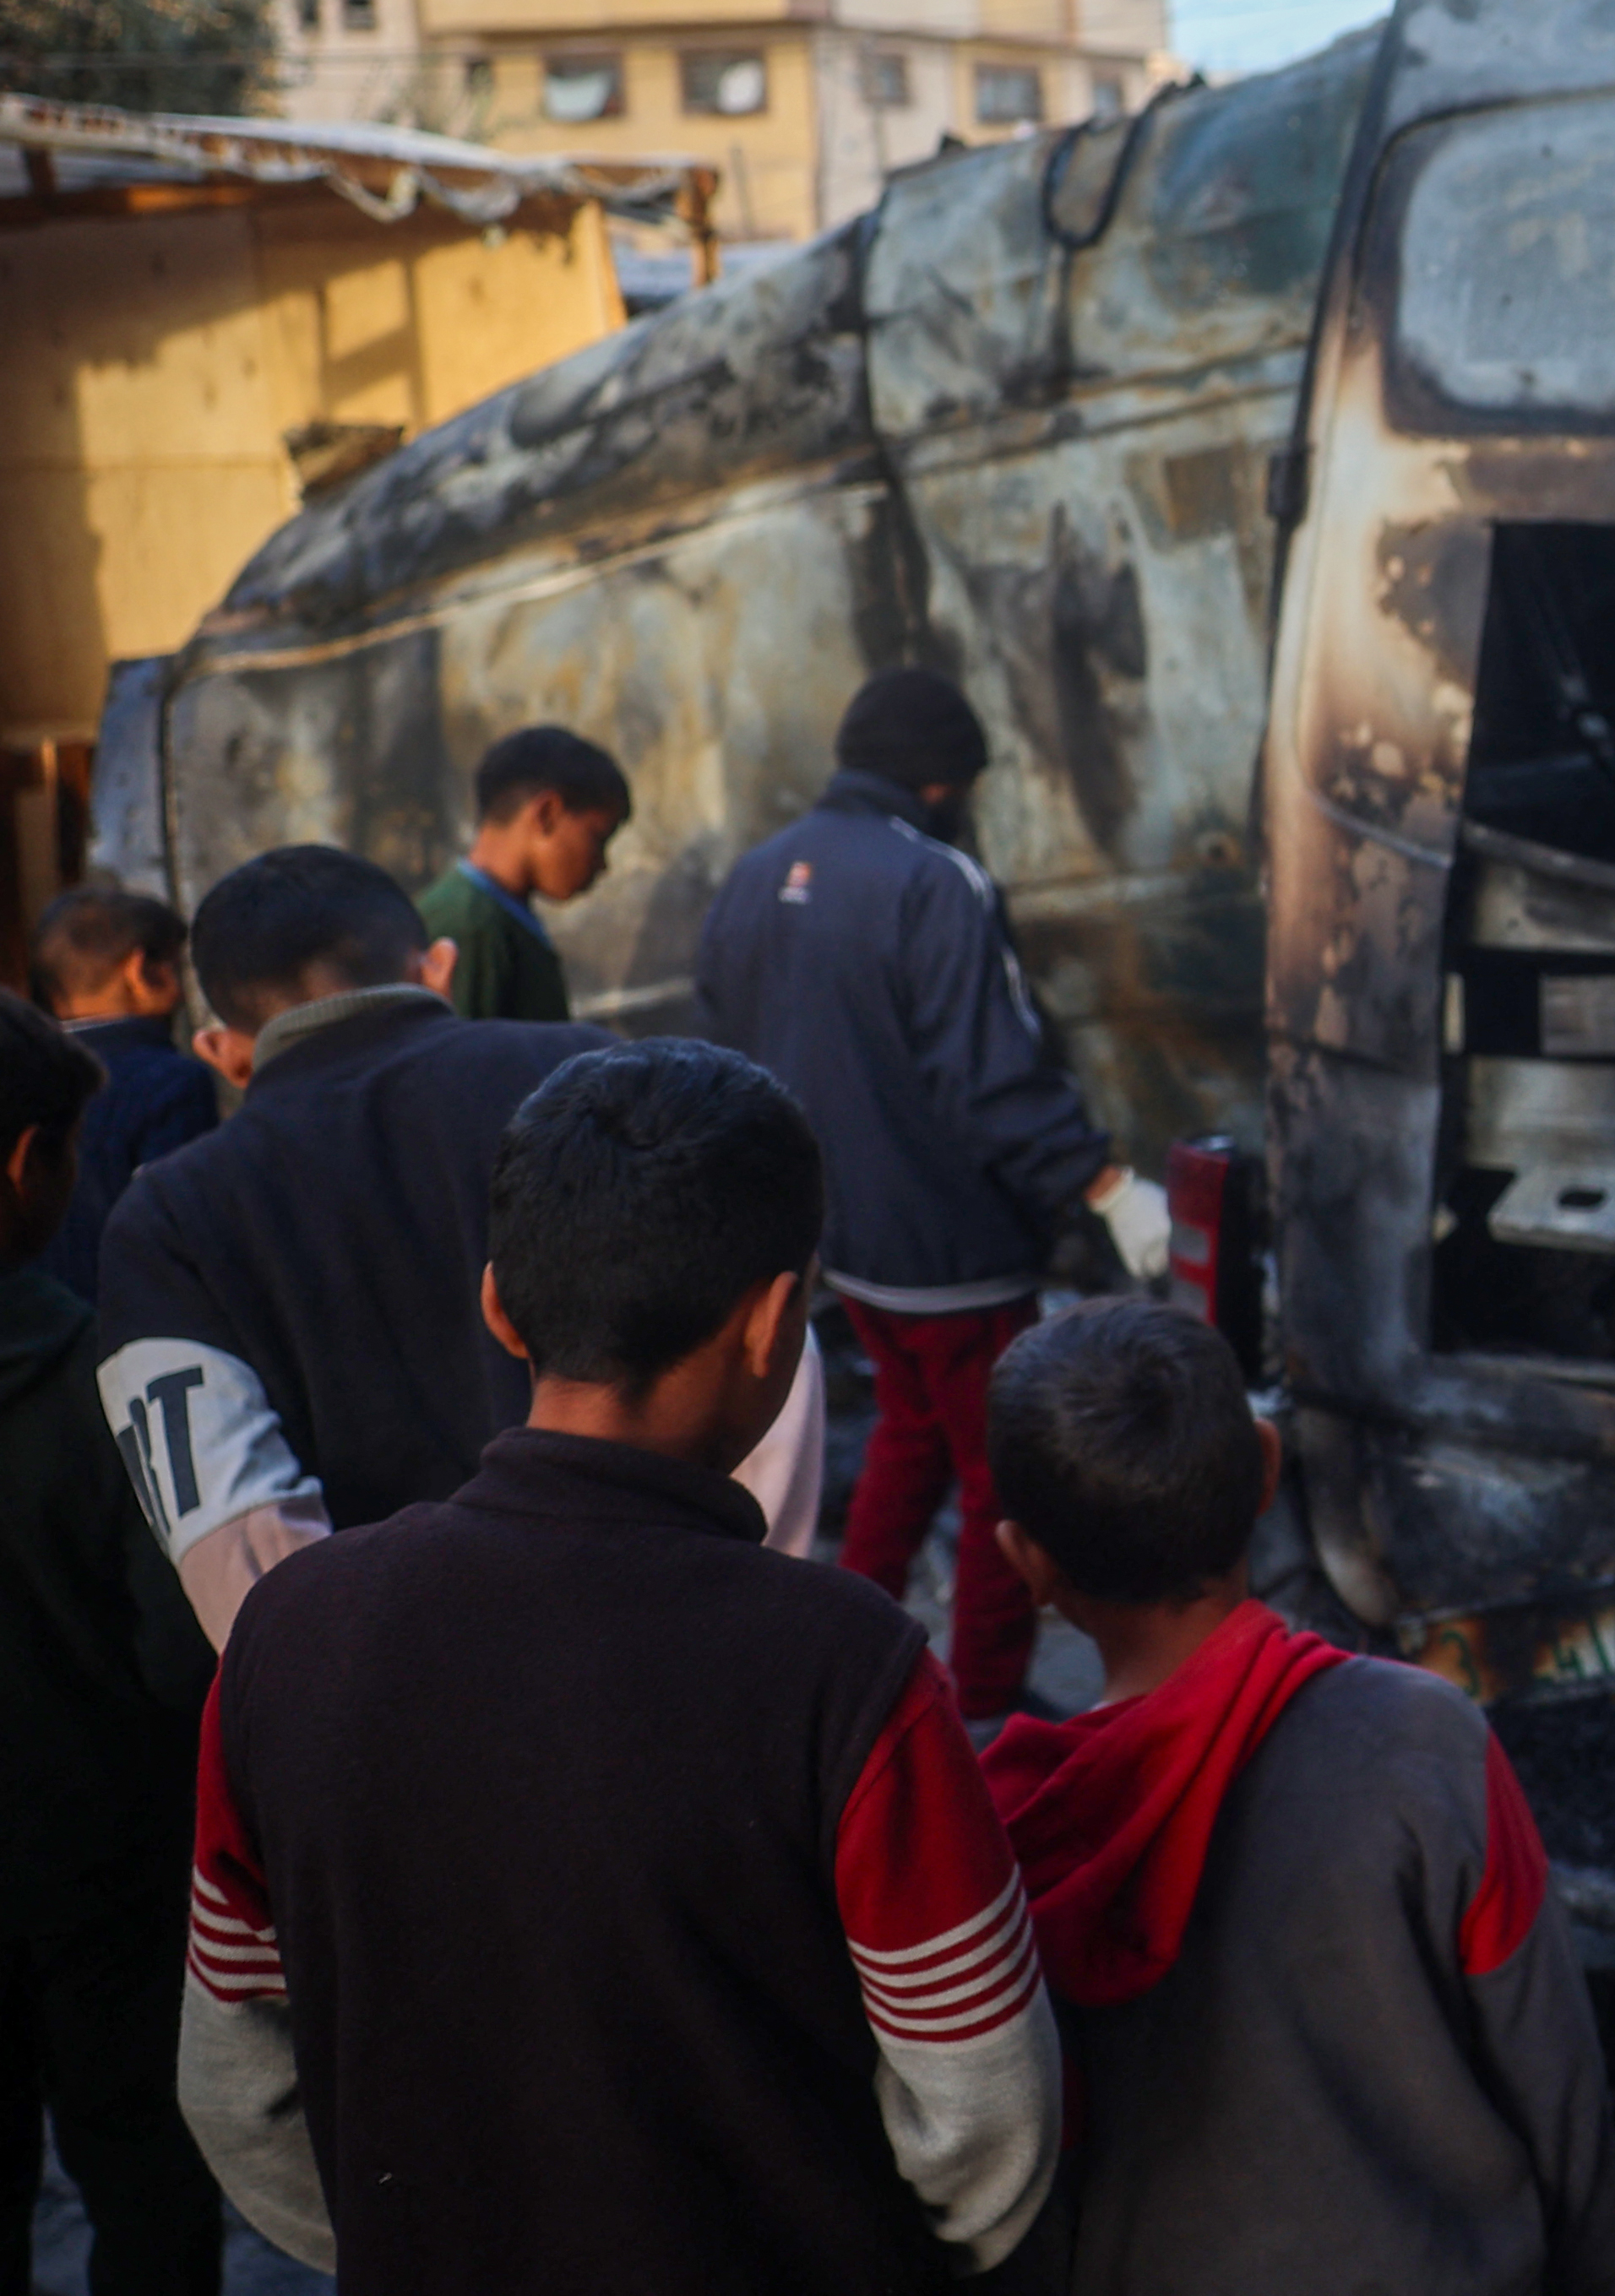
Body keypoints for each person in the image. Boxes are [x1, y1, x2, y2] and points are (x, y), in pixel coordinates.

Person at [177, 1041, 1058, 2292]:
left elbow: (235, 2080)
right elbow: (987, 2114)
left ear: (499, 1305)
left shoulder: (288, 1630)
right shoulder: (848, 1670)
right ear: (772, 1322)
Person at [977, 1300, 1615, 2296]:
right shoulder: (1423, 1742)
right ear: (1268, 1469)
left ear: (1025, 1563)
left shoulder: (998, 1836)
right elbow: (1553, 2072)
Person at [698, 670, 1169, 1723]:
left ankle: (853, 1652)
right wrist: (1105, 1182)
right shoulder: (936, 879)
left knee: (913, 1434)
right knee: (1005, 1470)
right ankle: (984, 1706)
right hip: (955, 1252)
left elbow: (722, 1046)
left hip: (843, 1241)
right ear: (945, 781)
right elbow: (991, 1072)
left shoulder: (756, 874)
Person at [91, 846, 612, 1646]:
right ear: (437, 966)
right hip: (644, 1636)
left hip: (391, 1707)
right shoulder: (590, 1075)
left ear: (223, 1050)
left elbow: (236, 1541)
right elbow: (749, 1354)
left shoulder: (166, 1218)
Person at [0, 992, 221, 2296]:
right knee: (145, 2167)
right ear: (32, 1157)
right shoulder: (104, 1377)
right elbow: (179, 1649)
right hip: (104, 1868)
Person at [28, 884, 219, 1303]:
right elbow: (184, 1233)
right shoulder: (172, 1082)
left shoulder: (23, 1078)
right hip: (137, 1330)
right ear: (142, 971)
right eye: (177, 966)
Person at [415, 725, 632, 1024]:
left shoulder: (500, 914)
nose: (602, 865)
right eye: (598, 839)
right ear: (547, 814)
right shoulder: (471, 925)